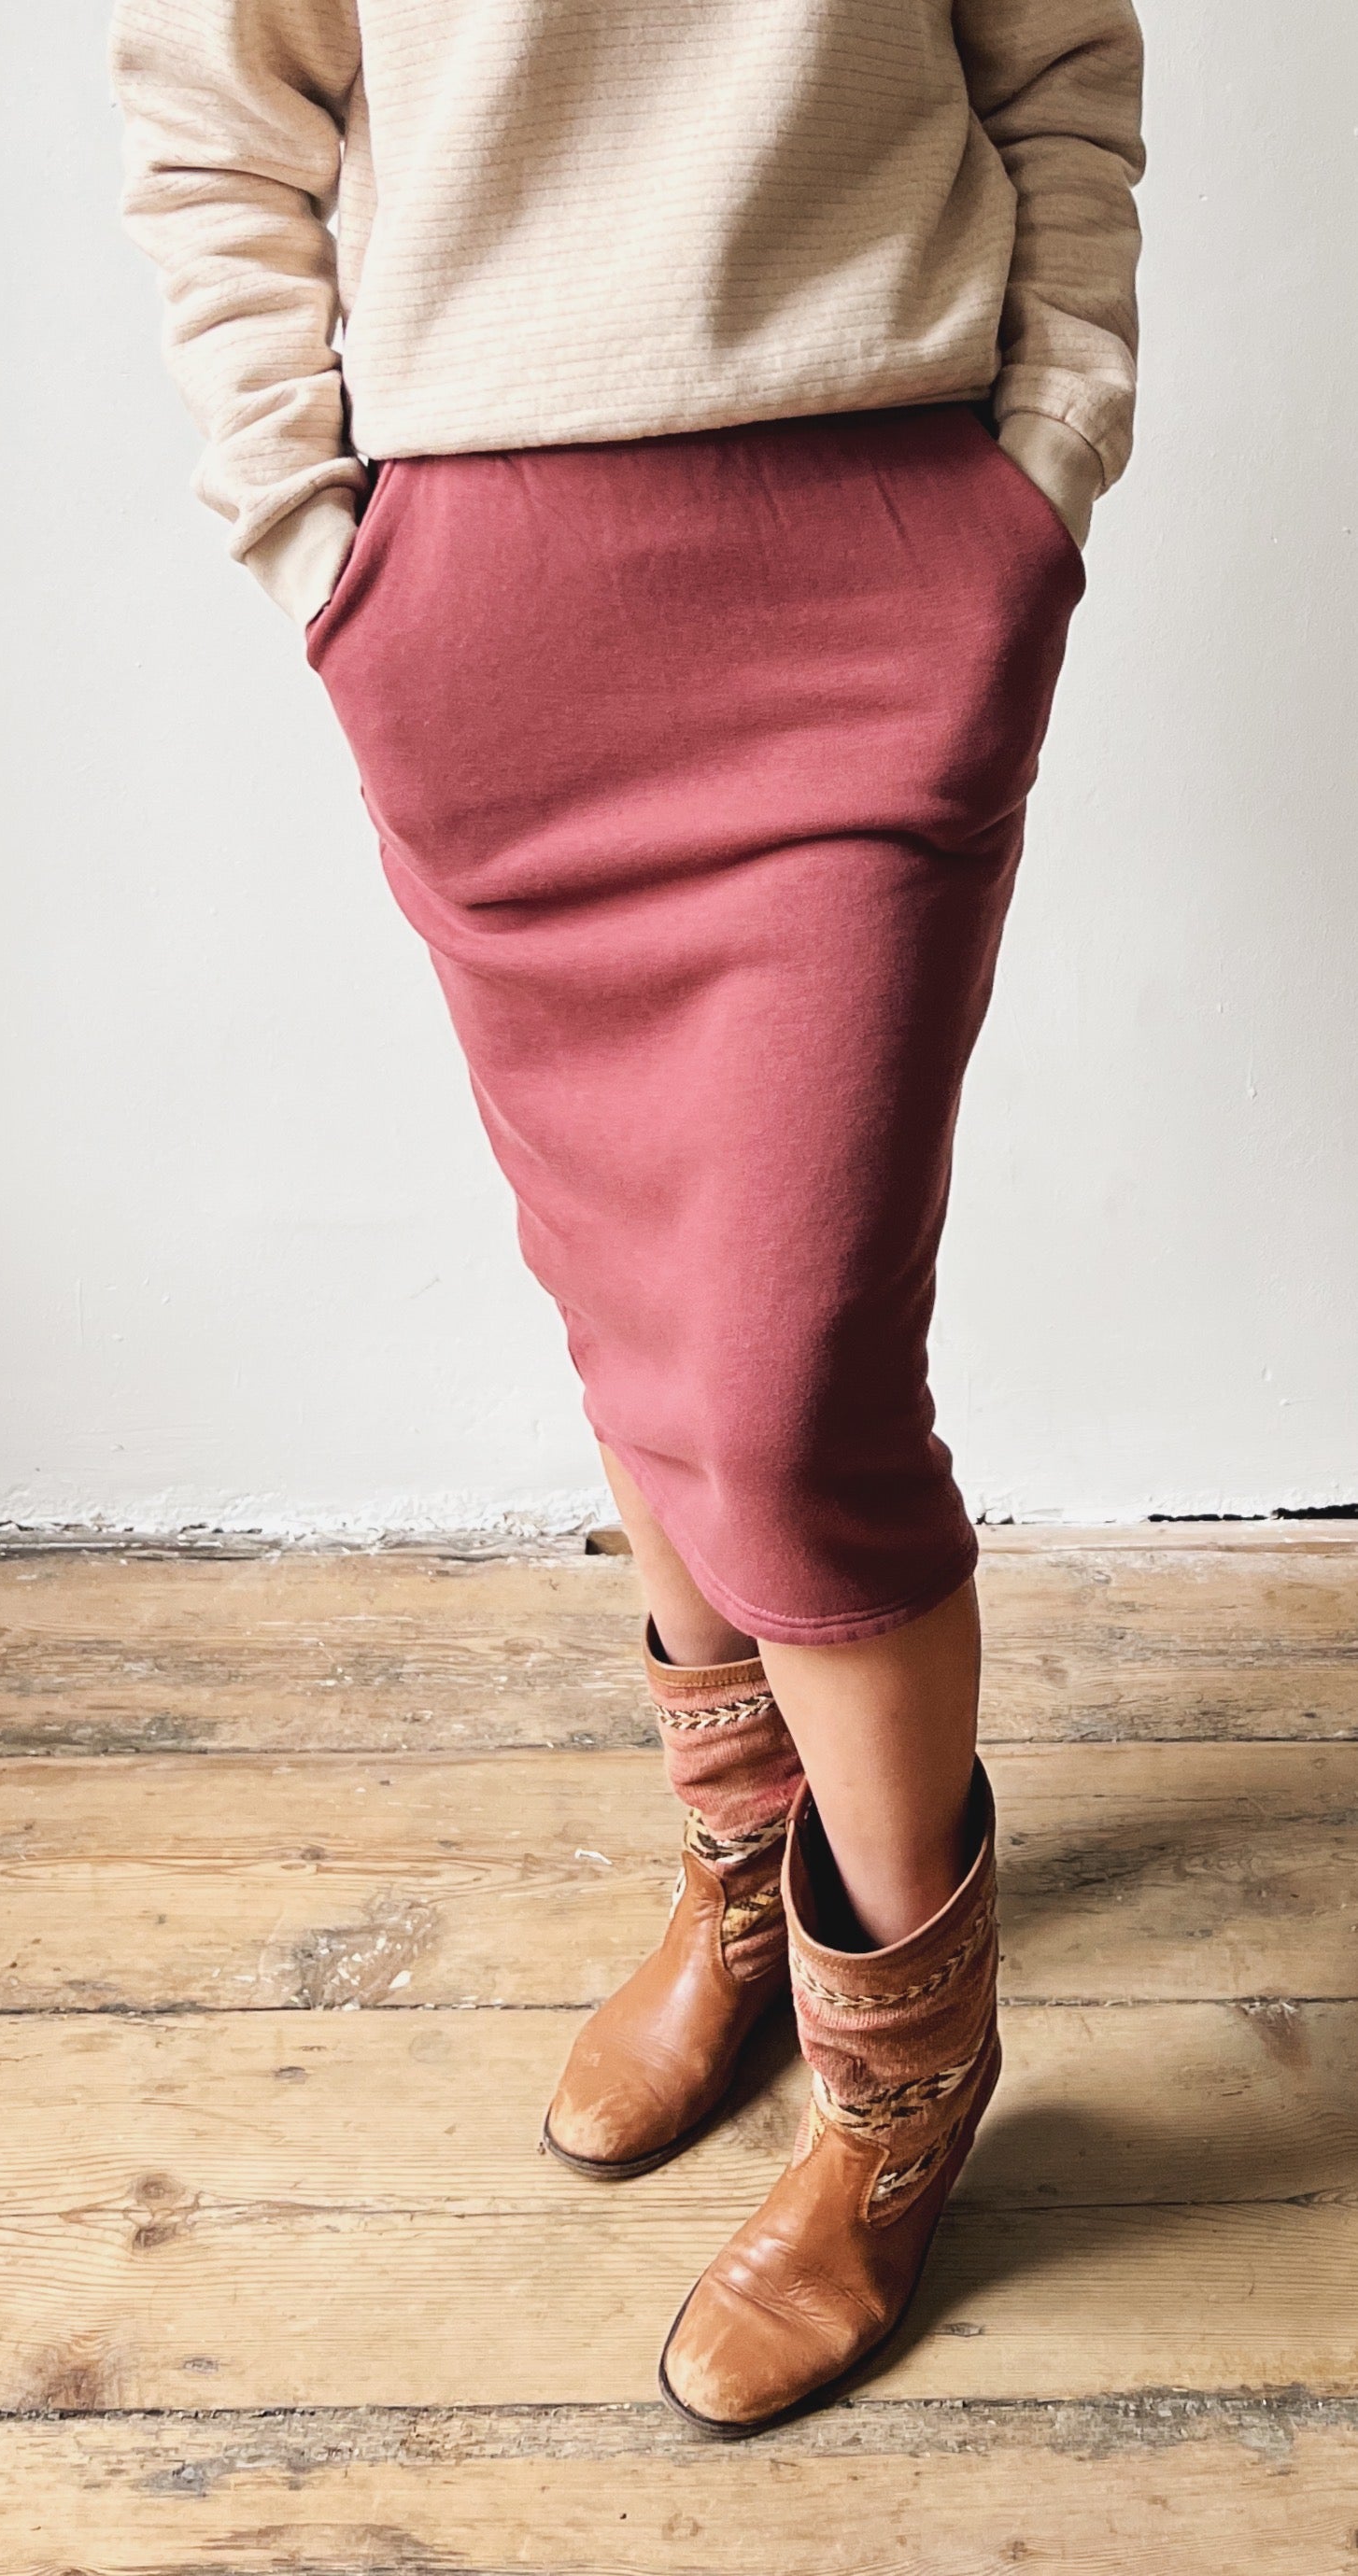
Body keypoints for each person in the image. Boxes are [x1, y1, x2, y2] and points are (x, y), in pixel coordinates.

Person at [111, 0, 1145, 2435]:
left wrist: (1044, 457)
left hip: (874, 553)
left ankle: (902, 2076)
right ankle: (741, 1880)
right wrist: (314, 534)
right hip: (488, 608)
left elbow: (1062, 66)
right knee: (627, 1301)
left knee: (788, 1395)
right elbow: (218, 111)